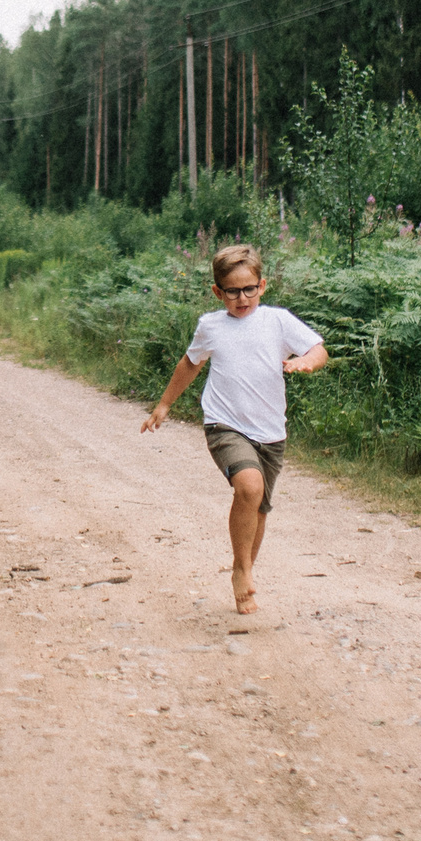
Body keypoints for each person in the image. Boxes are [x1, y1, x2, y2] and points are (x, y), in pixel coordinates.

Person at [139, 242, 328, 615]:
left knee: (257, 508)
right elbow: (190, 364)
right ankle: (240, 570)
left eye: (249, 289)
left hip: (271, 433)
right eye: (232, 291)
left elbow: (318, 348)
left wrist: (307, 361)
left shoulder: (277, 320)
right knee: (248, 486)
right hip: (224, 424)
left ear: (262, 285)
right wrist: (164, 404)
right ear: (217, 292)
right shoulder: (211, 326)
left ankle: (245, 568)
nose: (242, 298)